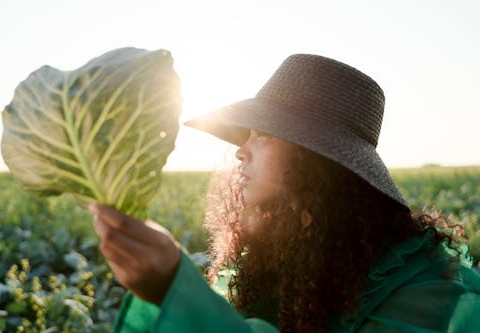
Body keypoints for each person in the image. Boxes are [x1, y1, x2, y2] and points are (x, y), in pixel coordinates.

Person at [88, 54, 480, 333]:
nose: (241, 150)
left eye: (262, 134)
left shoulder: (425, 290)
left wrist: (175, 289)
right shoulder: (271, 260)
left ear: (316, 161)